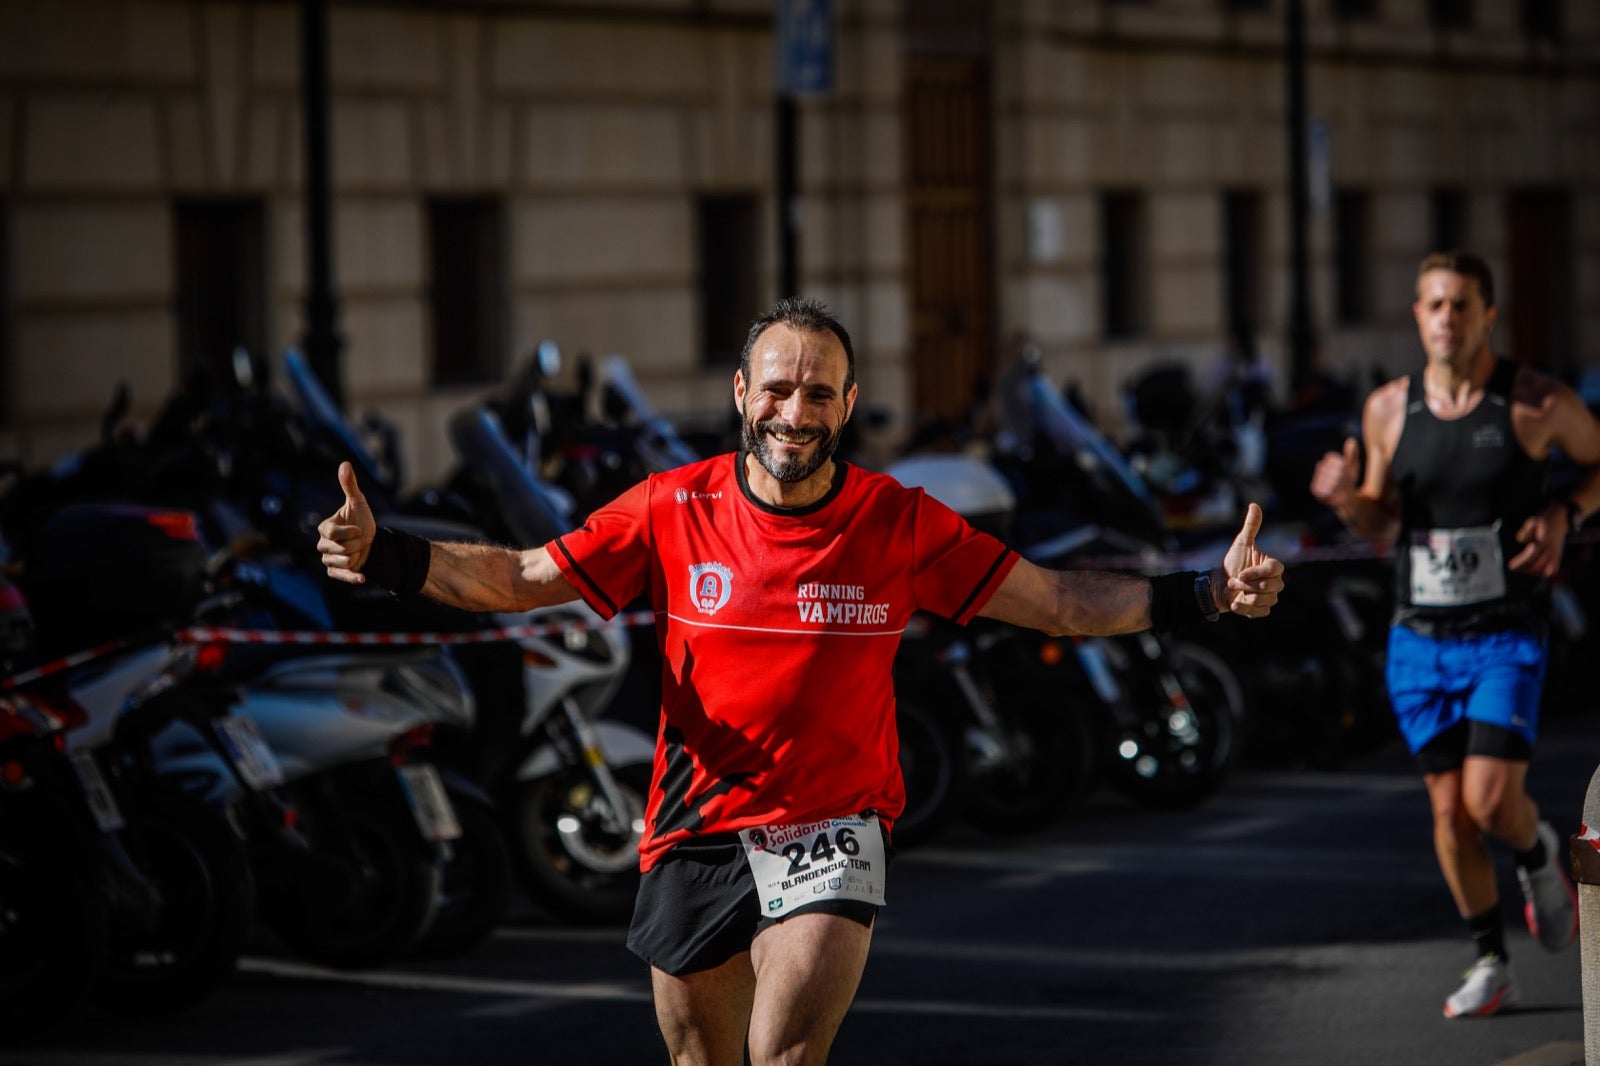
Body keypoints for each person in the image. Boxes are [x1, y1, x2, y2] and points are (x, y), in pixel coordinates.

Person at [318, 297, 1286, 1065]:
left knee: (784, 1053)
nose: (795, 411)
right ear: (742, 392)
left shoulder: (898, 521)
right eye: (778, 388)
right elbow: (522, 578)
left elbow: (1062, 602)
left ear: (848, 404)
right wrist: (389, 554)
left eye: (818, 393)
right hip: (695, 826)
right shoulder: (672, 505)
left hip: (833, 823)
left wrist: (1207, 592)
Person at [1310, 250, 1600, 1019]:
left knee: (1488, 798)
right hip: (1418, 638)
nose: (1448, 320)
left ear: (1488, 315)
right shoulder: (1385, 411)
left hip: (1505, 630)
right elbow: (1381, 519)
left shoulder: (1534, 404)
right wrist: (1346, 502)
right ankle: (1489, 961)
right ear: (1417, 315)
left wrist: (1567, 512)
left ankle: (1534, 847)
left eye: (1463, 305)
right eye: (1435, 305)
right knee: (1447, 816)